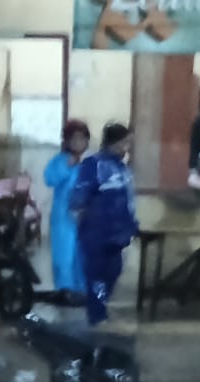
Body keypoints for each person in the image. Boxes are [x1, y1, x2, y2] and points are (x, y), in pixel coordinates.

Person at [71, 123, 139, 327]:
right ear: (114, 143)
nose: (128, 148)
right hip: (96, 233)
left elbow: (129, 200)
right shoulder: (93, 165)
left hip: (117, 235)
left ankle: (100, 309)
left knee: (113, 271)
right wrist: (87, 223)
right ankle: (97, 316)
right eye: (125, 143)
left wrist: (132, 225)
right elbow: (79, 198)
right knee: (97, 276)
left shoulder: (123, 168)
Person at [43, 120, 92, 299]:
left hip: (84, 216)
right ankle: (65, 290)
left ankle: (82, 290)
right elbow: (49, 179)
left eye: (82, 138)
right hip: (63, 217)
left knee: (82, 254)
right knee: (64, 254)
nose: (78, 142)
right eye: (74, 138)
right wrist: (66, 167)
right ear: (66, 141)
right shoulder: (60, 161)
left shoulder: (89, 163)